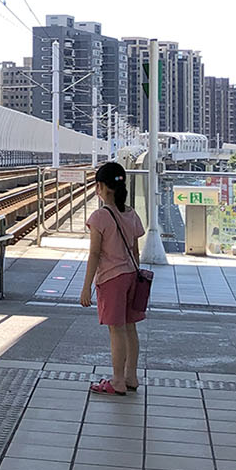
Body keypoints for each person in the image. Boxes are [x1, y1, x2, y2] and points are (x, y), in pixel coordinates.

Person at [80, 161, 145, 396]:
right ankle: (131, 376)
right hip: (130, 275)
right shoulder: (131, 213)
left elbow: (95, 254)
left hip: (111, 280)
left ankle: (117, 381)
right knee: (130, 328)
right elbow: (136, 250)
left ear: (100, 187)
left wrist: (86, 287)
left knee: (115, 330)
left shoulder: (99, 217)